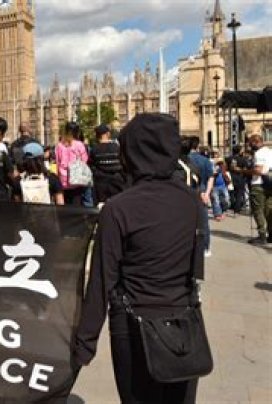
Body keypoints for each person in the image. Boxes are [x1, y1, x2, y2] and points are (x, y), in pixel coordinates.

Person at [74, 113, 203, 403]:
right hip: (183, 324)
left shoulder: (119, 208)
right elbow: (195, 266)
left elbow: (101, 280)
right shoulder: (191, 200)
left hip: (134, 327)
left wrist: (84, 344)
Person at [240, 134, 272, 245]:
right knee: (269, 210)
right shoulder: (270, 151)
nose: (249, 146)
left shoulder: (259, 153)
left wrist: (243, 171)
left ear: (255, 142)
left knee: (258, 210)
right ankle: (271, 234)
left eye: (250, 143)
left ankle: (262, 235)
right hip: (270, 184)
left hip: (258, 185)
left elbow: (258, 171)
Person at [187, 136, 214, 257]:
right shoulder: (205, 160)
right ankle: (205, 248)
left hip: (187, 191)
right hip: (202, 191)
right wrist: (207, 193)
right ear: (197, 146)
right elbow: (211, 177)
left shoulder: (183, 159)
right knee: (203, 221)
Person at [89, 124, 126, 204]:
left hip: (101, 183)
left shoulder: (94, 149)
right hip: (116, 181)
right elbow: (124, 163)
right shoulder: (116, 147)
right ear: (108, 134)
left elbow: (91, 166)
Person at [55, 122, 90, 206]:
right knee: (76, 204)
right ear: (77, 132)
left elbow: (57, 162)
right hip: (76, 180)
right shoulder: (79, 145)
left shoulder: (59, 145)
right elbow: (85, 161)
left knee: (66, 204)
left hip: (63, 180)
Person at [226, 145, 250, 214]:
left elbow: (226, 168)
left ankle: (233, 205)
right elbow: (245, 169)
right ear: (239, 151)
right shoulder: (243, 159)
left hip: (230, 177)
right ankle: (237, 209)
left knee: (231, 192)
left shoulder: (228, 158)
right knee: (239, 194)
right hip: (240, 178)